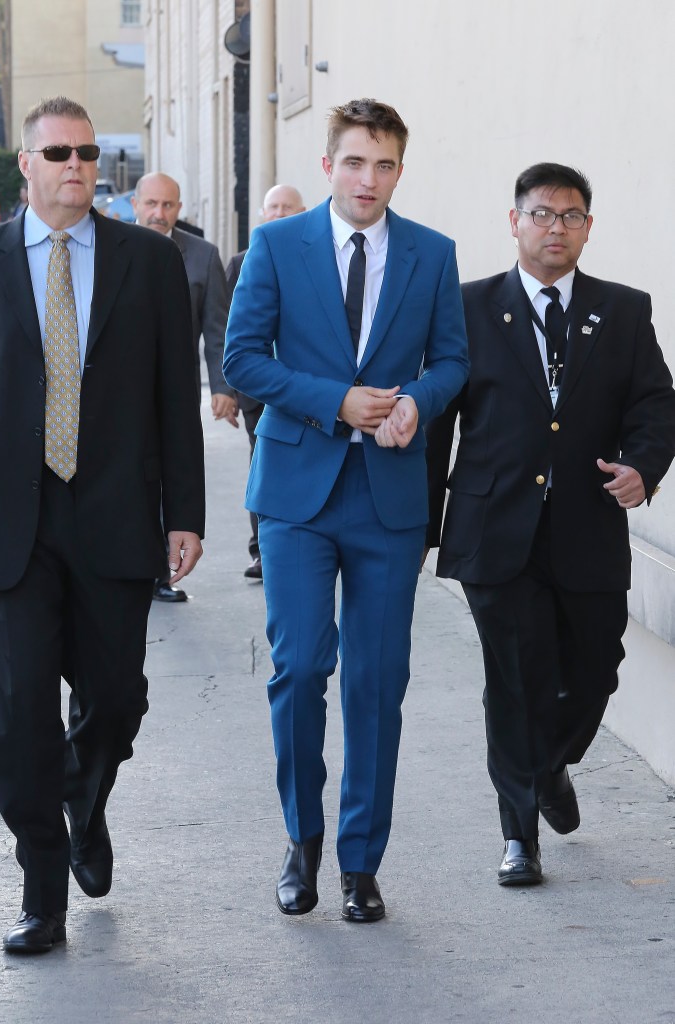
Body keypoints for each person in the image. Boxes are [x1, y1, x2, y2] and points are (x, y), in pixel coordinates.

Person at [223, 98, 469, 922]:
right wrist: (335, 401)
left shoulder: (432, 253)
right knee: (299, 668)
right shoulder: (276, 245)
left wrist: (417, 403)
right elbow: (241, 359)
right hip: (296, 493)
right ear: (328, 165)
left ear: (399, 171)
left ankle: (361, 863)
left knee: (377, 681)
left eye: (385, 164)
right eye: (356, 162)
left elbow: (452, 361)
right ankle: (302, 839)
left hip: (388, 498)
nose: (369, 179)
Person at [0, 95, 205, 954]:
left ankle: (84, 794)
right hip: (11, 525)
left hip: (114, 513)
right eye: (58, 153)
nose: (76, 165)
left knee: (115, 699)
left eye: (86, 152)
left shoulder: (146, 261)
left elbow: (175, 395)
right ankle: (42, 890)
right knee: (17, 720)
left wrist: (184, 514)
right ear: (27, 166)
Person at [425, 162, 675, 886]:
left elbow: (656, 404)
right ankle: (518, 837)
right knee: (514, 679)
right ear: (514, 222)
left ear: (587, 228)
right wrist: (422, 527)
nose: (554, 227)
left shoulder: (622, 310)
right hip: (493, 530)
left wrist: (642, 466)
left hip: (587, 526)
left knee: (595, 670)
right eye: (540, 214)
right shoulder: (467, 307)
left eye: (569, 216)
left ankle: (549, 767)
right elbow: (438, 422)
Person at [131, 172, 231, 602]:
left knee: (167, 476)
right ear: (135, 205)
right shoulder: (110, 249)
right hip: (118, 392)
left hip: (176, 391)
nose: (159, 213)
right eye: (151, 204)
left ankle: (159, 572)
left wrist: (223, 387)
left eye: (168, 205)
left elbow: (218, 330)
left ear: (179, 208)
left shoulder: (203, 256)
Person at [225, 184, 306, 581]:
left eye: (287, 207)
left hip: (308, 391)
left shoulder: (315, 261)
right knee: (264, 467)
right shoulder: (242, 261)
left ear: (302, 213)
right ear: (261, 213)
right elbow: (227, 330)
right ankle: (262, 550)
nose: (278, 213)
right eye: (272, 207)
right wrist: (228, 392)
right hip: (257, 394)